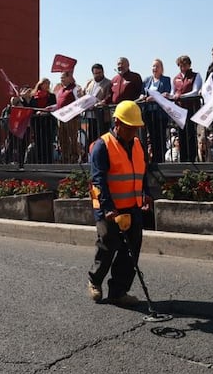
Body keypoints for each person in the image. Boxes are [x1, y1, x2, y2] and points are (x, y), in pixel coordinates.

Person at [86, 100, 151, 306]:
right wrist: (107, 207)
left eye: (135, 128)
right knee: (108, 244)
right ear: (117, 123)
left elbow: (142, 173)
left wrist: (146, 193)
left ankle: (118, 291)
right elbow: (98, 180)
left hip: (132, 205)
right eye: (129, 127)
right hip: (109, 207)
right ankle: (95, 280)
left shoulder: (138, 145)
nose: (133, 132)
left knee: (131, 250)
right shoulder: (102, 146)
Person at [170, 55, 203, 162]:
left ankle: (192, 159)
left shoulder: (196, 76)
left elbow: (195, 91)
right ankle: (183, 159)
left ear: (189, 65)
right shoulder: (176, 78)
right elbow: (172, 93)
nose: (182, 67)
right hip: (179, 110)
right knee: (181, 135)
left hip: (191, 109)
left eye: (184, 65)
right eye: (180, 65)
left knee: (191, 135)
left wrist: (181, 96)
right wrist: (170, 96)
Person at [138, 59, 171, 163]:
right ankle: (154, 160)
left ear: (161, 68)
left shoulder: (166, 80)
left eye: (157, 66)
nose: (155, 68)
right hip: (149, 113)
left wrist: (154, 98)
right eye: (153, 66)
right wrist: (142, 96)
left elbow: (166, 93)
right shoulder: (147, 80)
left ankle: (161, 160)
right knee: (152, 137)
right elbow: (142, 93)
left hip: (160, 114)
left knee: (160, 137)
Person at [55, 70, 83, 163]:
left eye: (63, 77)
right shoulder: (60, 90)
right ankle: (65, 159)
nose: (61, 80)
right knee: (62, 139)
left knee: (72, 139)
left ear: (69, 77)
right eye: (61, 78)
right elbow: (59, 104)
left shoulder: (75, 88)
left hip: (72, 118)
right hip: (61, 118)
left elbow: (79, 101)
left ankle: (74, 159)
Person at [26, 77, 57, 163]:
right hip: (37, 123)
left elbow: (54, 107)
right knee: (38, 143)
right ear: (40, 84)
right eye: (45, 83)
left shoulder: (52, 96)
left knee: (48, 143)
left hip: (48, 123)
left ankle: (49, 161)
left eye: (48, 84)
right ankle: (40, 161)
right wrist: (36, 113)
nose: (47, 85)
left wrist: (45, 112)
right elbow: (30, 108)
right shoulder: (33, 96)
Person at [83, 63, 113, 144]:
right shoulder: (89, 83)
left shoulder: (108, 83)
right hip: (90, 116)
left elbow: (109, 97)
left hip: (102, 116)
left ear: (103, 72)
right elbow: (83, 94)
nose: (98, 75)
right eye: (96, 73)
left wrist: (99, 104)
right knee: (91, 139)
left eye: (100, 73)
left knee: (102, 139)